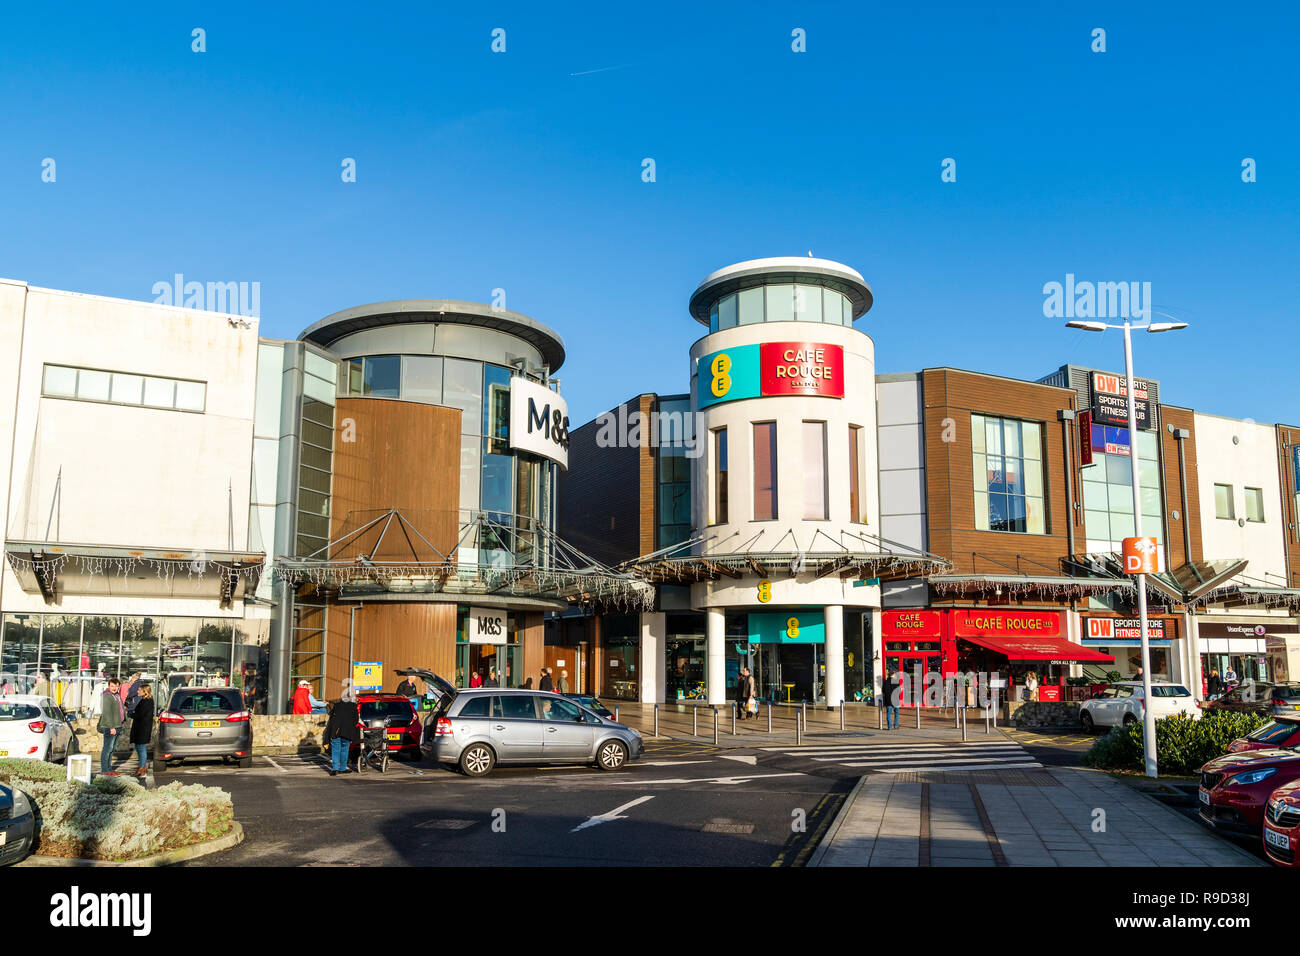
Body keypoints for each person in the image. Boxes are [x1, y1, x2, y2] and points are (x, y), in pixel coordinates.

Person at [324, 690, 361, 776]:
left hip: (335, 731)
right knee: (344, 749)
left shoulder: (336, 706)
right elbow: (356, 720)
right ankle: (342, 768)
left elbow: (331, 716)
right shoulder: (353, 706)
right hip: (347, 731)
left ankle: (335, 769)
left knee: (335, 749)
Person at [97, 677, 124, 775]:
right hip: (110, 726)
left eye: (116, 686)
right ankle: (105, 770)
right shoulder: (107, 696)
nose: (114, 688)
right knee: (107, 748)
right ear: (109, 686)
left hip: (117, 725)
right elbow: (107, 713)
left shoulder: (116, 696)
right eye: (112, 686)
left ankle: (109, 769)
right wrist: (112, 727)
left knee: (112, 749)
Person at [130, 685, 155, 778]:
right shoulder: (145, 701)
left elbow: (141, 715)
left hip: (142, 729)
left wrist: (132, 714)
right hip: (141, 728)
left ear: (145, 691)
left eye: (139, 690)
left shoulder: (146, 701)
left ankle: (142, 768)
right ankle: (141, 767)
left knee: (141, 748)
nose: (137, 691)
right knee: (139, 747)